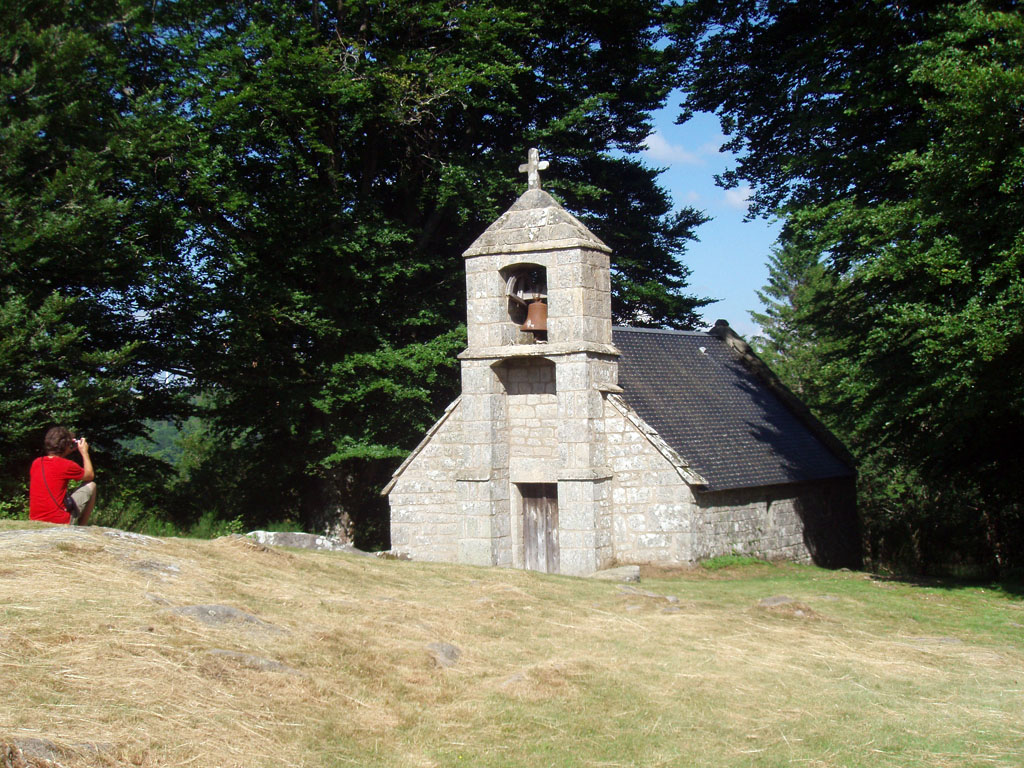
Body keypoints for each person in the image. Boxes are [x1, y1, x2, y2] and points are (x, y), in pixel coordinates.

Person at [29, 427, 97, 525]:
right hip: (59, 520)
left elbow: (55, 465)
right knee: (91, 485)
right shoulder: (67, 465)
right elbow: (89, 475)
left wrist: (66, 450)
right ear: (66, 446)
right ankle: (83, 527)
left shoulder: (36, 463)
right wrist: (84, 452)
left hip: (37, 520)